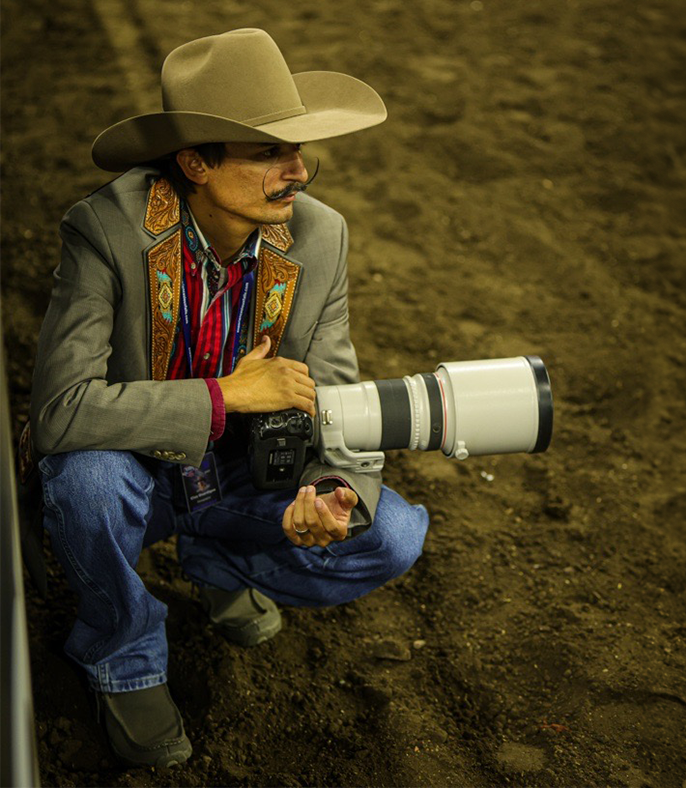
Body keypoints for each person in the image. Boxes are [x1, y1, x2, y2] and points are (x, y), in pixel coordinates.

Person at [28, 28, 428, 768]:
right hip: (138, 480)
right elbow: (59, 411)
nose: (299, 171)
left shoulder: (319, 237)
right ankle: (123, 651)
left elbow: (338, 394)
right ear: (195, 163)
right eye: (270, 153)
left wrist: (331, 489)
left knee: (393, 534)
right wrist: (222, 395)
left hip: (244, 478)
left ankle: (217, 563)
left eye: (298, 150)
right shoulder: (106, 231)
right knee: (81, 478)